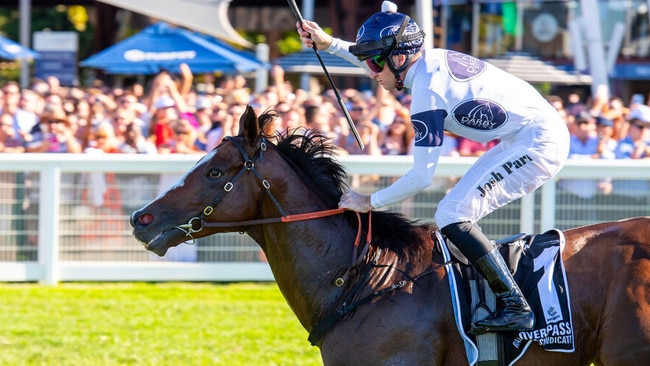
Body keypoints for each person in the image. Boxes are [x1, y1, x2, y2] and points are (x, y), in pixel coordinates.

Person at [297, 0, 569, 334]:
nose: (370, 71)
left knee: (452, 215)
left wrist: (369, 201)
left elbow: (421, 177)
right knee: (454, 213)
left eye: (374, 63)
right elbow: (383, 54)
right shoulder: (423, 60)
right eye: (368, 61)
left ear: (399, 58)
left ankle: (516, 305)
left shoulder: (428, 93)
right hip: (525, 135)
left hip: (538, 142)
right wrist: (329, 44)